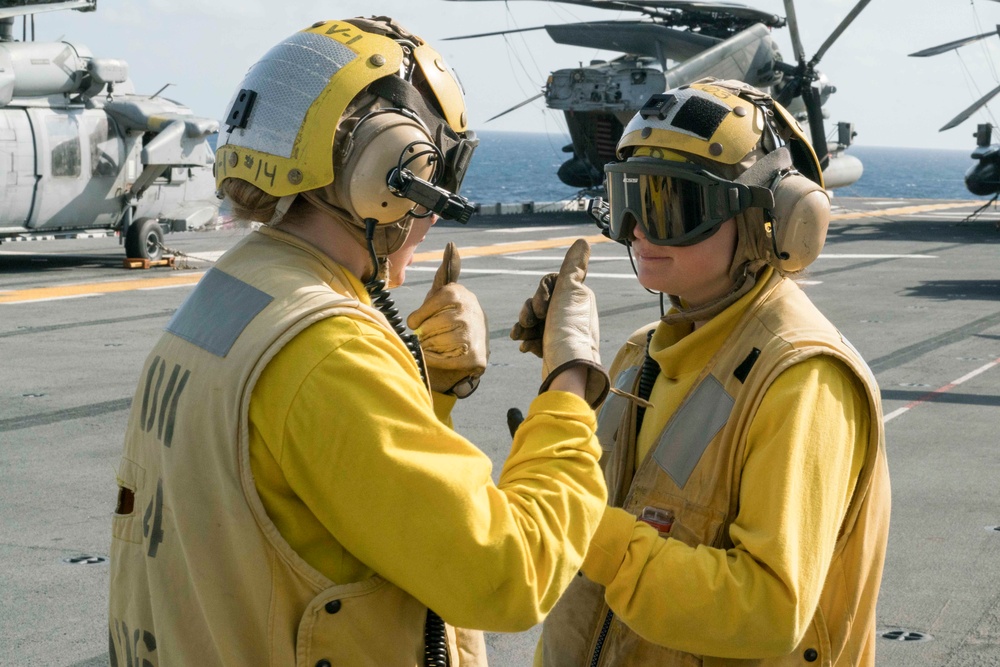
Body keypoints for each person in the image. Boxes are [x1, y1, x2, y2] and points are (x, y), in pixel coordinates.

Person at [107, 17, 611, 666]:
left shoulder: (231, 295)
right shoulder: (330, 350)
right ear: (392, 173)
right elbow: (507, 574)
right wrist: (569, 380)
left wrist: (422, 389)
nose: (436, 209)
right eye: (439, 174)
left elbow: (313, 511)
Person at [523, 79, 891, 666]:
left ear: (772, 219)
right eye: (627, 201)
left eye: (669, 205)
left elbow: (770, 610)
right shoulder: (639, 357)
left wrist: (585, 527)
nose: (639, 230)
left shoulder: (800, 380)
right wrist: (568, 377)